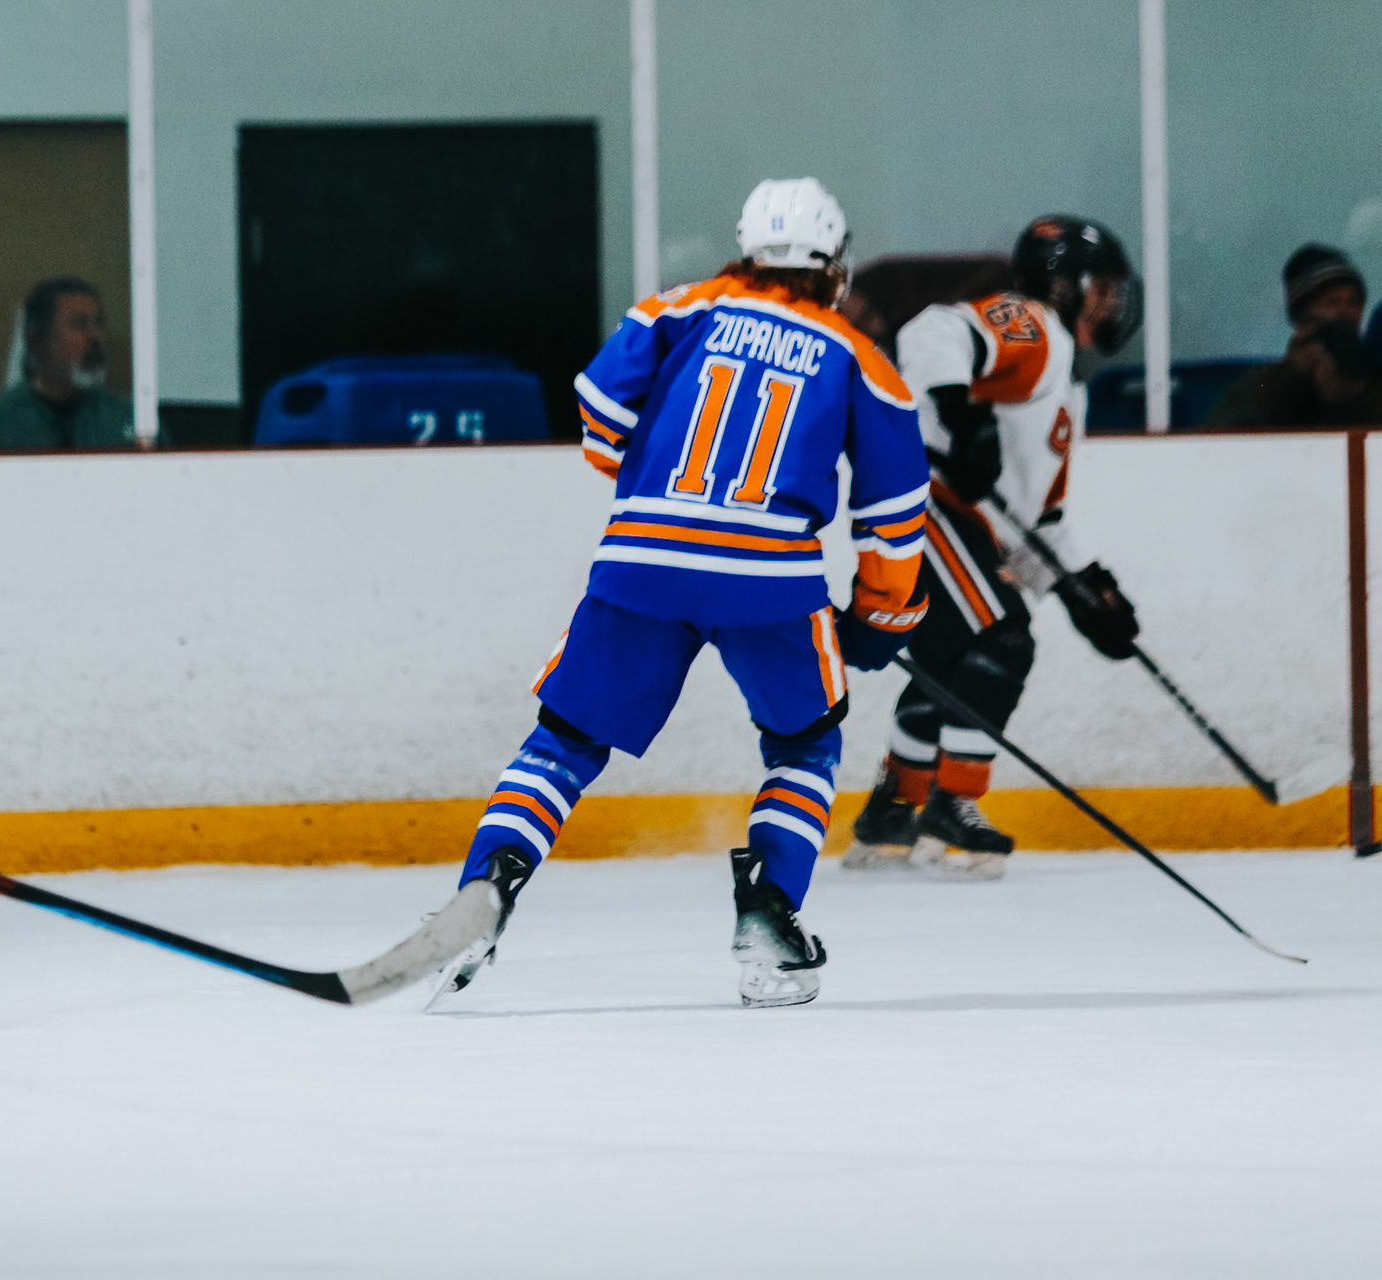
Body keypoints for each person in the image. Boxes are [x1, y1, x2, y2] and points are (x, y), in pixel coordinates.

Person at [433, 178, 930, 1009]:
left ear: (746, 246)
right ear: (834, 263)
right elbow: (894, 512)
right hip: (771, 581)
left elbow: (599, 418)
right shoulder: (860, 359)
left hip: (644, 559)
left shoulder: (677, 309)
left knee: (563, 744)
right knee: (804, 746)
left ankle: (485, 889)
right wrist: (882, 616)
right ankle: (770, 916)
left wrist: (660, 479)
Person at [844, 215, 1143, 879]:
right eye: (1102, 288)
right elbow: (932, 332)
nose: (1111, 303)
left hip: (950, 517)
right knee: (1002, 640)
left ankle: (895, 810)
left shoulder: (1063, 384)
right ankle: (953, 801)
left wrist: (1080, 587)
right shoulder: (1036, 325)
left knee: (952, 663)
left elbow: (1038, 520)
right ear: (1063, 285)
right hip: (927, 505)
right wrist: (961, 416)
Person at [0, 276, 137, 450]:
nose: (95, 337)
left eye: (98, 324)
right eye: (78, 324)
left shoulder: (127, 418)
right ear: (36, 341)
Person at [1208, 244, 1382, 428]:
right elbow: (1225, 436)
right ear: (1303, 316)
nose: (1345, 312)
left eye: (1354, 302)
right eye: (1332, 302)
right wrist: (1291, 378)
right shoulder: (1264, 385)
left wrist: (1351, 397)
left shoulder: (1372, 374)